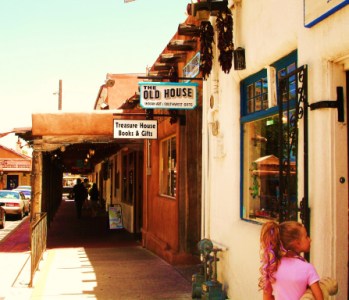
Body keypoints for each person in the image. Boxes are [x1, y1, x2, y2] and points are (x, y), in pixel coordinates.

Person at [258, 221, 323, 300]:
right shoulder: (308, 268)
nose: (310, 239)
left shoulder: (273, 267)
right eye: (306, 236)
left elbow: (267, 297)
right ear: (297, 243)